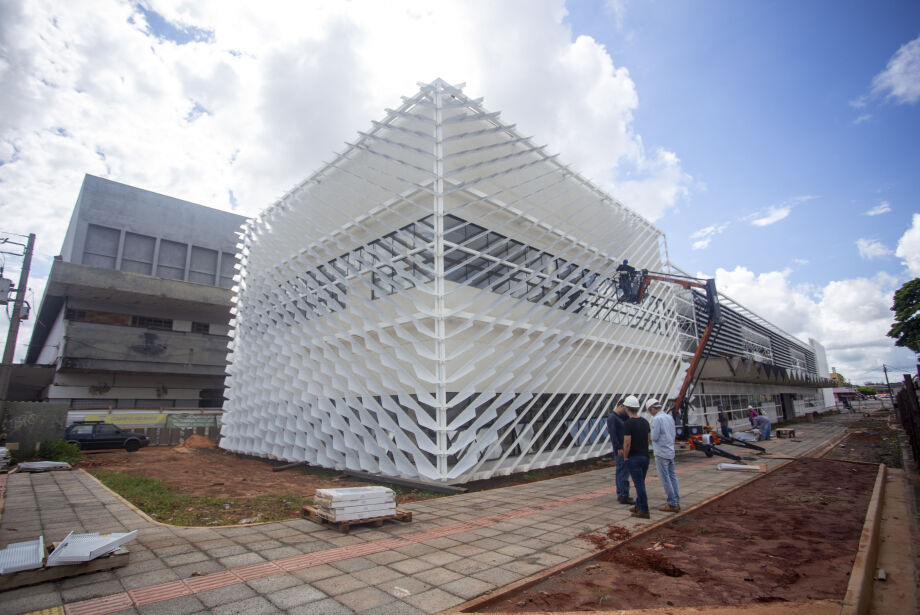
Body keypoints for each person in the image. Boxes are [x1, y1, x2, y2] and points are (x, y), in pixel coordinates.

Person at [648, 399, 680, 513]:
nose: (650, 413)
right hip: (670, 450)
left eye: (650, 411)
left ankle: (672, 503)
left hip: (661, 452)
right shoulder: (669, 417)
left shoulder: (656, 419)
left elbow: (654, 437)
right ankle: (676, 501)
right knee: (672, 477)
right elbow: (673, 433)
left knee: (665, 478)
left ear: (653, 409)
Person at [622, 397, 651, 519]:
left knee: (639, 485)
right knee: (641, 483)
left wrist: (625, 456)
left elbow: (627, 442)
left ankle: (644, 510)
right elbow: (648, 439)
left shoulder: (628, 424)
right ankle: (638, 506)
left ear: (627, 408)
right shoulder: (645, 422)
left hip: (634, 457)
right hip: (645, 456)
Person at [606, 398, 634, 505]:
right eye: (626, 408)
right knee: (623, 472)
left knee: (621, 471)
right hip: (621, 449)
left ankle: (621, 494)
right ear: (621, 406)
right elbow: (613, 435)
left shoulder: (622, 417)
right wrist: (618, 448)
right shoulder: (612, 418)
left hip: (624, 448)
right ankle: (623, 495)